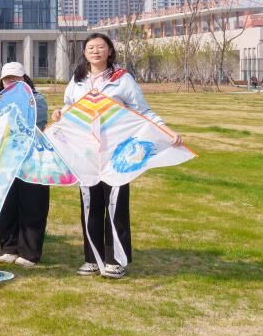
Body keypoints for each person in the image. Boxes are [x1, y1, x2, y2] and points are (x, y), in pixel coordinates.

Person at [54, 33, 182, 279]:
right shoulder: (77, 80)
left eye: (101, 47)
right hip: (87, 155)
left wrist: (167, 131)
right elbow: (70, 107)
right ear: (84, 53)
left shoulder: (122, 79)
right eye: (91, 48)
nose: (96, 51)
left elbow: (143, 112)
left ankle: (115, 260)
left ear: (110, 51)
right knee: (90, 205)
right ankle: (92, 258)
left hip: (116, 153)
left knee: (115, 205)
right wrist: (60, 113)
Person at [0, 62, 50, 268]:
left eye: (16, 79)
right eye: (7, 79)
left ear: (24, 79)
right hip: (4, 159)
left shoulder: (37, 100)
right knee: (6, 204)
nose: (11, 83)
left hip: (32, 159)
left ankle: (29, 252)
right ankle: (8, 247)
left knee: (33, 204)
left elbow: (31, 122)